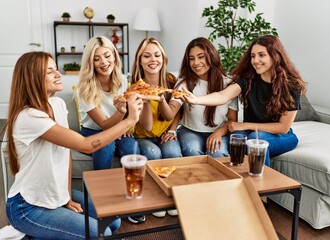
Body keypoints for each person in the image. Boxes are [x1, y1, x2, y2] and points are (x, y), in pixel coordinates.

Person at [2, 51, 143, 239]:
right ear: (33, 78)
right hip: (27, 206)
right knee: (102, 234)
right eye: (50, 71)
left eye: (56, 69)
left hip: (55, 195)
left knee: (113, 222)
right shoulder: (29, 116)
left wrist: (66, 196)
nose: (58, 74)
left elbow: (65, 152)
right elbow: (86, 145)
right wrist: (130, 119)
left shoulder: (57, 104)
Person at [181, 35, 306, 166]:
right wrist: (195, 100)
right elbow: (223, 96)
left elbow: (283, 128)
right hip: (251, 132)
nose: (255, 60)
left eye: (261, 55)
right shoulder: (248, 80)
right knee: (236, 137)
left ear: (275, 56)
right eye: (253, 56)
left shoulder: (291, 86)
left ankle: (261, 183)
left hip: (281, 136)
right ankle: (234, 179)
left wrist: (245, 125)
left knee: (255, 140)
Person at [129, 38, 182, 221]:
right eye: (147, 56)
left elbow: (176, 113)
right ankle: (156, 200)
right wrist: (146, 99)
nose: (153, 60)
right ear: (139, 60)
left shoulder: (171, 81)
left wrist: (173, 130)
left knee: (174, 152)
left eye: (157, 55)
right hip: (143, 135)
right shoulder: (135, 87)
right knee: (152, 152)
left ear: (164, 59)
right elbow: (147, 126)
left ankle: (174, 198)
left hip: (165, 134)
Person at [159, 37, 238, 158]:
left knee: (218, 153)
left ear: (211, 56)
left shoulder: (229, 83)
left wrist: (218, 133)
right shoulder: (184, 83)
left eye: (201, 57)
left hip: (219, 131)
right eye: (192, 59)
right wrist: (172, 129)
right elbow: (174, 111)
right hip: (190, 131)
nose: (196, 63)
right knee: (192, 150)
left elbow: (232, 120)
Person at [76, 36, 139, 170]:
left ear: (114, 56)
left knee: (131, 148)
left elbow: (128, 115)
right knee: (106, 146)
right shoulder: (84, 88)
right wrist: (120, 113)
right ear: (90, 63)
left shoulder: (122, 80)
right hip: (91, 132)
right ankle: (100, 189)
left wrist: (124, 127)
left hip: (117, 128)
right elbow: (104, 125)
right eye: (96, 59)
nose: (104, 62)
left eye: (107, 56)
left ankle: (132, 187)